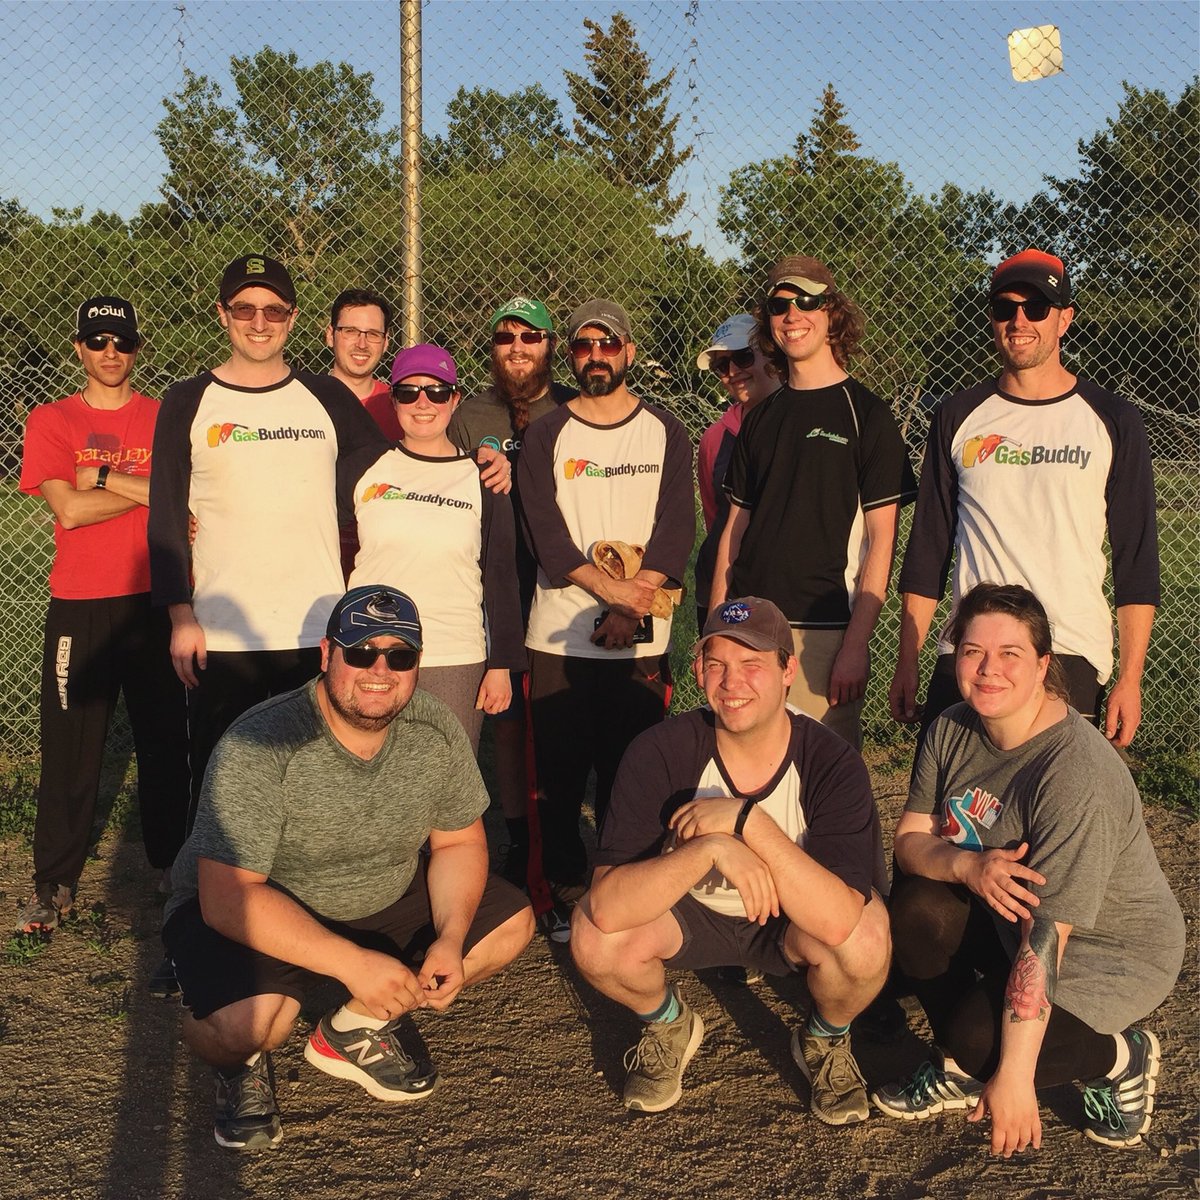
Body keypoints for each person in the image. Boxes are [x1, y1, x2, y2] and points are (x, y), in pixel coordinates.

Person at [162, 585, 535, 1151]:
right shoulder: (261, 741)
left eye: (400, 655)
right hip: (257, 902)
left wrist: (452, 937)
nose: (379, 670)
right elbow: (227, 896)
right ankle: (236, 1062)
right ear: (326, 654)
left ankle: (352, 1028)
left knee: (510, 925)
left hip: (377, 887)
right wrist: (352, 962)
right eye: (360, 652)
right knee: (250, 1027)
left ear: (418, 664)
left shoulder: (434, 727)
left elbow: (459, 843)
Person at [872, 583, 1183, 1155]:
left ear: (1044, 666)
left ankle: (1120, 1055)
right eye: (972, 651)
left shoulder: (1072, 774)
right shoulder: (952, 726)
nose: (988, 669)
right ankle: (962, 1067)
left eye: (1010, 653)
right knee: (916, 908)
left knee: (981, 1040)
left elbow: (1049, 935)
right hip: (1011, 917)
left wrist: (1014, 1077)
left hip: (1104, 948)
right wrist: (966, 865)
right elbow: (911, 841)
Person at [571, 596, 891, 1125]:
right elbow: (606, 905)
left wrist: (745, 821)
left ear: (788, 671)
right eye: (717, 664)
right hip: (690, 913)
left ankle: (824, 1039)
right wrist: (712, 848)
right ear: (698, 672)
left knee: (866, 939)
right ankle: (668, 1022)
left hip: (790, 920)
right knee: (593, 938)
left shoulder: (830, 758)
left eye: (753, 665)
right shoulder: (659, 750)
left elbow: (838, 919)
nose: (732, 682)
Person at [889, 249, 1160, 750]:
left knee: (1050, 816)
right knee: (949, 816)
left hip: (1067, 649)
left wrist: (1130, 677)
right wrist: (909, 659)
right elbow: (927, 549)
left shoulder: (1112, 419)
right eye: (1004, 308)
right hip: (969, 651)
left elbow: (1136, 558)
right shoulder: (958, 415)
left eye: (1036, 308)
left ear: (1064, 320)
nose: (1019, 321)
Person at [517, 299, 694, 935]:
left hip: (642, 640)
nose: (596, 356)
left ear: (629, 353)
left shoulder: (665, 431)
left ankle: (631, 888)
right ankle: (562, 893)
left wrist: (635, 598)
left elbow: (677, 527)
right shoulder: (547, 434)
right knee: (555, 785)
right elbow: (545, 531)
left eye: (608, 345)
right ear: (571, 357)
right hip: (561, 637)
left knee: (634, 776)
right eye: (583, 347)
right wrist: (613, 596)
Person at [16, 296, 189, 932]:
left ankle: (173, 867)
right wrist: (140, 494)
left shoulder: (163, 416)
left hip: (153, 602)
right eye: (98, 343)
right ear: (80, 349)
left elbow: (180, 498)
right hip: (80, 606)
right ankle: (53, 882)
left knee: (166, 740)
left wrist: (102, 478)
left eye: (121, 343)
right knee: (70, 749)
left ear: (136, 348)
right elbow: (67, 510)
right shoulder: (52, 420)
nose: (110, 354)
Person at [711, 256, 917, 749]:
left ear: (831, 313)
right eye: (780, 306)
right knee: (742, 768)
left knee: (819, 779)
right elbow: (733, 534)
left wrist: (855, 644)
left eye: (807, 301)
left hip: (823, 630)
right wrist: (715, 628)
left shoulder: (867, 414)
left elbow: (880, 541)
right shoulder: (760, 417)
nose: (793, 315)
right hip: (750, 624)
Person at [341, 344, 526, 751]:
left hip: (453, 654)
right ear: (393, 399)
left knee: (445, 787)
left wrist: (502, 666)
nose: (422, 402)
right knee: (368, 780)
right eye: (408, 392)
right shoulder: (363, 467)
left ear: (454, 399)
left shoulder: (482, 476)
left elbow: (500, 574)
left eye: (437, 392)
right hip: (371, 650)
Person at [449, 296, 575, 889]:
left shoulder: (574, 410)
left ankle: (559, 828)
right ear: (493, 347)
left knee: (555, 713)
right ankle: (517, 835)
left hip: (563, 581)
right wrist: (471, 465)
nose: (518, 347)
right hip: (492, 579)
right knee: (504, 714)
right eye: (506, 337)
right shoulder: (471, 415)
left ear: (550, 346)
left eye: (532, 336)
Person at [694, 313, 779, 629]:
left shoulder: (799, 425)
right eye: (721, 365)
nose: (732, 372)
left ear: (770, 353)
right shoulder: (715, 438)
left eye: (743, 357)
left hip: (783, 592)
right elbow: (715, 517)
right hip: (725, 592)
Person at [325, 287, 399, 439]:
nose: (362, 344)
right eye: (350, 331)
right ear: (330, 336)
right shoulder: (305, 401)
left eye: (373, 334)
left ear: (385, 342)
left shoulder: (402, 408)